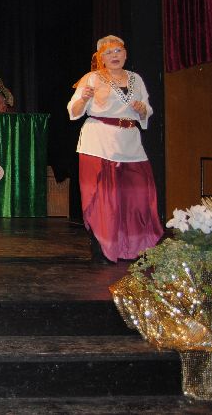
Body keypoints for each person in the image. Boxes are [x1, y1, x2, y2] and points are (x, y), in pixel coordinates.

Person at [67, 35, 162, 263]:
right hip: (99, 142)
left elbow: (147, 108)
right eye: (108, 53)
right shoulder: (92, 78)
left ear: (125, 54)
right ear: (101, 58)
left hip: (130, 142)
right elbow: (73, 110)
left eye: (118, 51)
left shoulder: (136, 79)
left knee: (137, 195)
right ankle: (103, 248)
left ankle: (133, 248)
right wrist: (84, 99)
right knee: (104, 198)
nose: (114, 56)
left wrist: (142, 110)